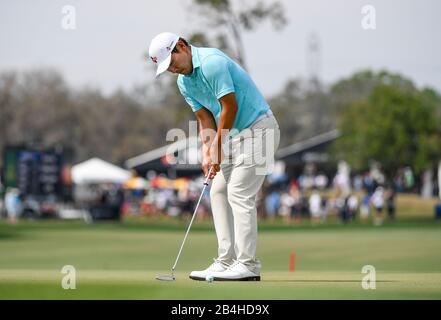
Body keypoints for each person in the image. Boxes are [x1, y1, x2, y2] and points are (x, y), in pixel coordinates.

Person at [148, 32, 280, 281]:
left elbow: (230, 106)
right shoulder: (184, 83)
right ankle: (226, 261)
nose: (172, 70)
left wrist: (218, 146)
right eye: (166, 68)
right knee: (218, 190)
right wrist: (208, 151)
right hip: (233, 137)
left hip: (260, 130)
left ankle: (248, 265)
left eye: (172, 62)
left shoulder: (211, 62)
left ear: (182, 46)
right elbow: (204, 118)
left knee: (239, 192)